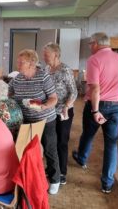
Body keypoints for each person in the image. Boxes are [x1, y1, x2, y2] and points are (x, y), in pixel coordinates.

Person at [72, 33, 118, 194]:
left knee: (88, 134)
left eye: (90, 44)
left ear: (95, 44)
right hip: (116, 106)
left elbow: (95, 89)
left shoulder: (94, 59)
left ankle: (81, 158)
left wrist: (95, 111)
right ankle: (107, 183)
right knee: (111, 144)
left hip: (98, 105)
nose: (89, 47)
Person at [8, 49, 60, 195]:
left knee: (49, 149)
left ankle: (55, 179)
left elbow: (53, 98)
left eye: (21, 62)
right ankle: (27, 177)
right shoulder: (18, 78)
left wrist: (43, 106)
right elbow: (9, 91)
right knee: (25, 150)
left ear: (32, 63)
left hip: (45, 119)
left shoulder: (43, 76)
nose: (18, 64)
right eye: (18, 61)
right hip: (26, 120)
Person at [43, 42, 78, 185]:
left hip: (63, 111)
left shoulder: (65, 70)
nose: (44, 57)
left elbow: (74, 92)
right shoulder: (47, 68)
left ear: (56, 54)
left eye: (47, 54)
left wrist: (67, 106)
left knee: (61, 142)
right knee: (50, 142)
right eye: (44, 54)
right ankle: (52, 169)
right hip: (49, 111)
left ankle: (62, 172)